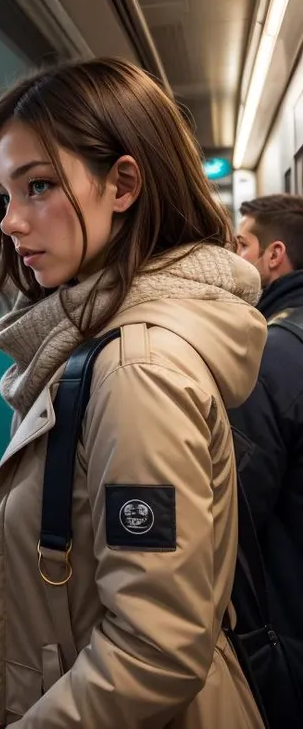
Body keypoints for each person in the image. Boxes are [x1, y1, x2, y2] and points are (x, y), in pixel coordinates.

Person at [0, 58, 267, 729]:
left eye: (37, 186)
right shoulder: (107, 348)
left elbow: (155, 649)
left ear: (122, 184)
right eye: (5, 197)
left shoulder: (135, 369)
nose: (10, 223)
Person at [230, 194, 303, 694]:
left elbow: (234, 517)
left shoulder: (269, 357)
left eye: (241, 244)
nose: (232, 258)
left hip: (284, 634)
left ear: (272, 256)